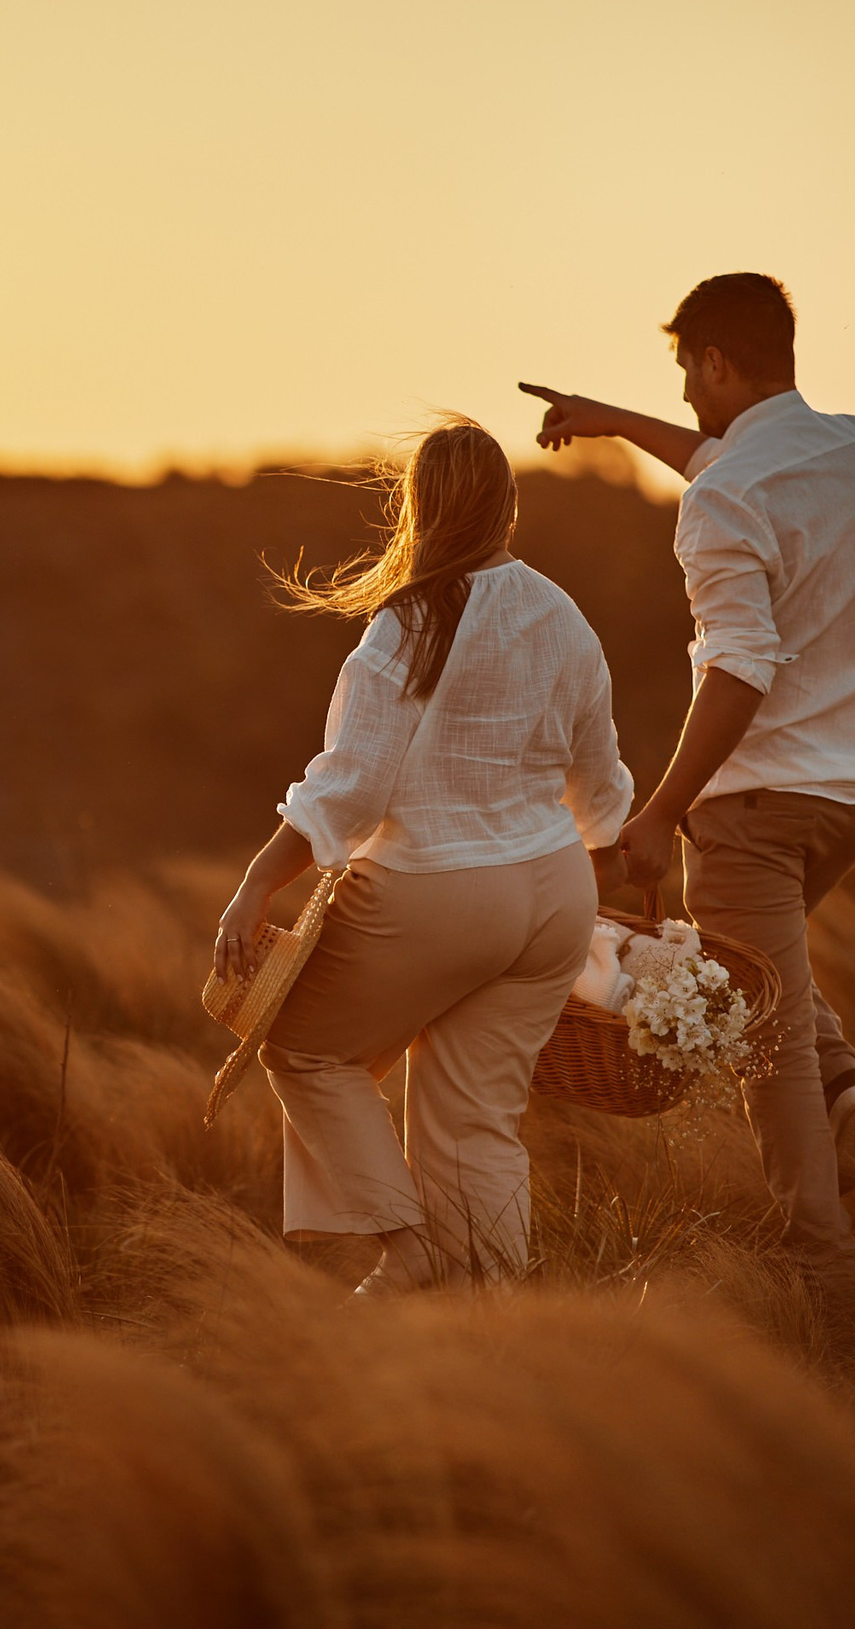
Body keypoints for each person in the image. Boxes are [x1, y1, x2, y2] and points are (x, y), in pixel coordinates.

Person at [521, 272, 855, 1289]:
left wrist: (661, 812)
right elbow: (734, 464)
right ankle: (841, 1082)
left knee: (757, 1031)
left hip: (758, 805)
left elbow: (739, 662)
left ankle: (820, 1262)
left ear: (716, 360)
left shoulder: (722, 499)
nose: (685, 394)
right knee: (761, 970)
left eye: (687, 370)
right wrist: (610, 421)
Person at [213, 419, 634, 1294]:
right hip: (554, 893)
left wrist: (256, 882)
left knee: (300, 1047)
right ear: (508, 507)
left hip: (440, 891)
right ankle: (494, 1322)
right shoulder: (563, 615)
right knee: (475, 1123)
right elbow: (600, 781)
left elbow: (349, 790)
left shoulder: (406, 624)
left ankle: (408, 1249)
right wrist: (615, 879)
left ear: (418, 509)